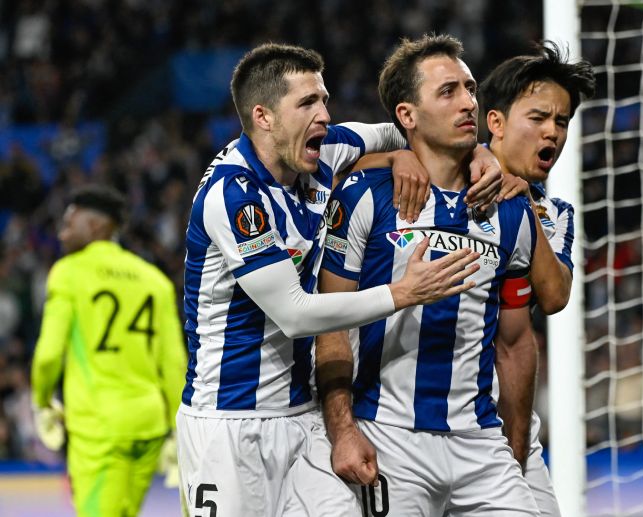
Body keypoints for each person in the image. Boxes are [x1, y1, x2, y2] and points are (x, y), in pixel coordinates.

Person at [177, 42, 484, 517]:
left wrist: (444, 154)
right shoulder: (233, 196)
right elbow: (295, 315)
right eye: (307, 103)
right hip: (230, 424)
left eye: (324, 99)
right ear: (263, 117)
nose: (324, 114)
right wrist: (403, 293)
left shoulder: (327, 149)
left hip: (304, 416)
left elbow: (409, 128)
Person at [316, 34, 542, 516]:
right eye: (448, 92)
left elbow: (515, 342)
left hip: (481, 443)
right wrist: (343, 430)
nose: (469, 103)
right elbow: (330, 327)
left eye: (470, 89)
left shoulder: (510, 208)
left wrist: (516, 452)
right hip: (389, 438)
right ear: (407, 115)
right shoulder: (364, 196)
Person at [481, 42, 595, 516]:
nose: (553, 131)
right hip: (417, 415)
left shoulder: (553, 212)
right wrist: (395, 158)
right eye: (539, 117)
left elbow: (554, 296)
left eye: (562, 122)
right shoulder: (440, 179)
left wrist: (524, 205)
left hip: (507, 416)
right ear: (496, 122)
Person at [30, 185, 187, 517]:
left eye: (69, 223)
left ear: (96, 226)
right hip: (149, 426)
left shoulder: (69, 272)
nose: (61, 233)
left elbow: (48, 355)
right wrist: (180, 430)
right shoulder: (154, 281)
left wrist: (42, 402)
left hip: (98, 427)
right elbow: (174, 363)